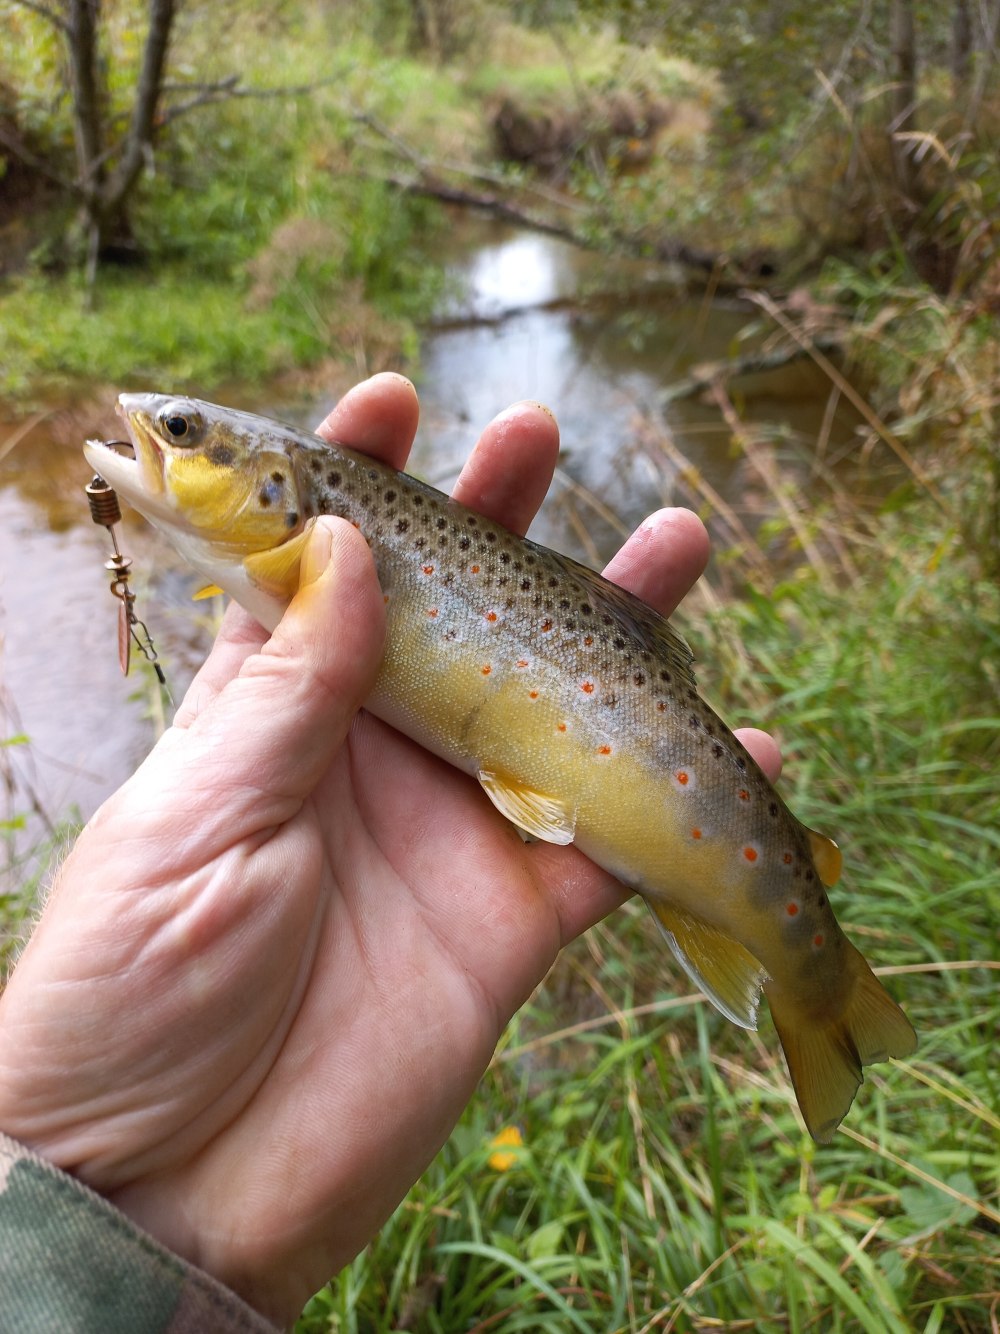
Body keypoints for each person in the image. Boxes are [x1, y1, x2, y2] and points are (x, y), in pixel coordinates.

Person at [0, 375, 781, 1330]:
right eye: (177, 429)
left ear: (282, 492)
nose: (155, 435)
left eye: (181, 431)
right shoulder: (277, 562)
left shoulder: (298, 557)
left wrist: (51, 1164)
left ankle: (811, 976)